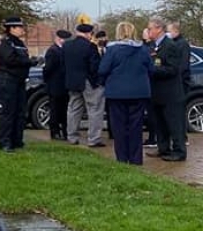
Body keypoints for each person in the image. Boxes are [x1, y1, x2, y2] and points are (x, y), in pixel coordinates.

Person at [98, 22, 153, 164]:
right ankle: (136, 159)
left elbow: (103, 70)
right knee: (136, 127)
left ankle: (122, 158)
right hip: (139, 93)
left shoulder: (112, 50)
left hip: (117, 93)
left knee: (119, 128)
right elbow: (151, 69)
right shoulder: (143, 50)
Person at [145, 18, 187, 161]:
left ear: (159, 29)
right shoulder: (151, 46)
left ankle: (179, 151)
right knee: (159, 123)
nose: (148, 31)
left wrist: (153, 70)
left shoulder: (170, 46)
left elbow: (173, 69)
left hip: (170, 93)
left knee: (174, 123)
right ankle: (163, 148)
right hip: (156, 92)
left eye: (150, 28)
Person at [0, 16, 38, 153]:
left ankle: (17, 140)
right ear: (11, 28)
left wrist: (31, 61)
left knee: (20, 111)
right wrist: (28, 62)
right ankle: (5, 142)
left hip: (19, 80)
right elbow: (10, 59)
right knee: (9, 111)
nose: (22, 30)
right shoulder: (5, 43)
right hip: (8, 80)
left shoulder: (19, 43)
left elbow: (23, 57)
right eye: (19, 27)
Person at [62, 18, 105, 147]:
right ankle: (94, 138)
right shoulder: (90, 46)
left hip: (72, 81)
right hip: (88, 82)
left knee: (73, 109)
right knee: (95, 109)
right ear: (89, 33)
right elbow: (94, 66)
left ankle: (72, 136)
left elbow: (63, 64)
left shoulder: (67, 45)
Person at [43, 29, 71, 140]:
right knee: (55, 109)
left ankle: (64, 131)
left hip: (63, 85)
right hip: (54, 85)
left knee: (63, 109)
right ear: (59, 39)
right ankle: (54, 132)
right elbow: (48, 68)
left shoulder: (63, 51)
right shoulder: (53, 51)